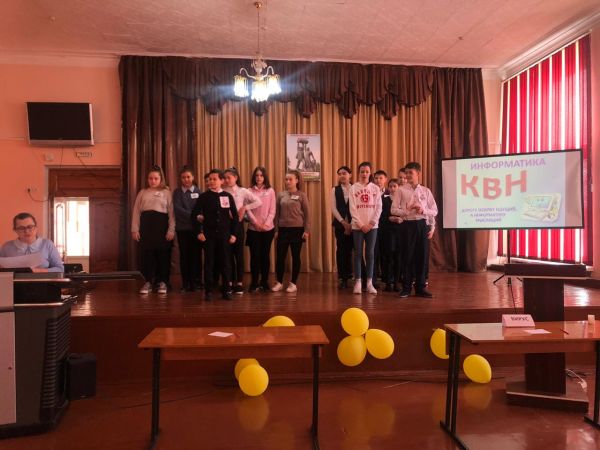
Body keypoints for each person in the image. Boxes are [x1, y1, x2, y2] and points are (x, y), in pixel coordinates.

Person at [391, 162, 437, 298]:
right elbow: (393, 210)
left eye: (411, 172)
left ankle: (421, 287)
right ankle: (406, 287)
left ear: (418, 173)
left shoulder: (426, 191)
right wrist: (407, 211)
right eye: (406, 173)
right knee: (407, 256)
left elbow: (434, 210)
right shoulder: (400, 190)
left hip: (422, 224)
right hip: (407, 225)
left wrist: (424, 210)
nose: (408, 175)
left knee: (422, 256)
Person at [191, 169, 238, 301]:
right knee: (209, 263)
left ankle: (227, 290)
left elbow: (235, 216)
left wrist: (233, 234)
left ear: (222, 181)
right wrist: (199, 232)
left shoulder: (227, 196)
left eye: (214, 179)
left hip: (224, 236)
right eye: (209, 179)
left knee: (225, 263)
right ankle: (209, 291)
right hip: (209, 236)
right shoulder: (204, 197)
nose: (211, 181)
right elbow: (194, 215)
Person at [131, 166, 175, 295]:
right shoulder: (142, 192)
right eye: (150, 178)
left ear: (161, 179)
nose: (153, 181)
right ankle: (148, 282)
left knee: (163, 256)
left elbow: (172, 213)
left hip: (162, 227)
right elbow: (136, 212)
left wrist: (171, 230)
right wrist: (135, 229)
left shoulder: (167, 192)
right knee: (147, 256)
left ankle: (163, 282)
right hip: (146, 227)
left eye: (156, 178)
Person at [223, 167, 262, 295]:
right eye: (225, 178)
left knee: (238, 254)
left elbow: (258, 201)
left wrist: (245, 207)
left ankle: (239, 283)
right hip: (226, 226)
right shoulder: (222, 191)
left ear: (236, 178)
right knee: (227, 254)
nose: (226, 180)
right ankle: (229, 282)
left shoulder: (243, 191)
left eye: (229, 177)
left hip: (238, 225)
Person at [273, 170, 310, 293]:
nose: (288, 181)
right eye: (286, 179)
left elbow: (307, 214)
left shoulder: (302, 195)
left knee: (295, 256)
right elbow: (277, 214)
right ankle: (279, 282)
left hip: (297, 230)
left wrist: (306, 230)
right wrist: (276, 230)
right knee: (280, 257)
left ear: (297, 181)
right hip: (283, 230)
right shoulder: (280, 195)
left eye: (290, 179)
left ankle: (293, 283)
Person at [349, 161, 382, 295]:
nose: (364, 174)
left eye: (367, 171)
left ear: (370, 173)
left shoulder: (375, 188)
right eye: (362, 171)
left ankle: (369, 283)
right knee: (357, 253)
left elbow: (379, 207)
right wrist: (361, 224)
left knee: (370, 253)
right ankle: (358, 282)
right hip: (358, 226)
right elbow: (352, 208)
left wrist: (371, 223)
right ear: (359, 173)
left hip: (372, 226)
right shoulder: (353, 188)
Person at [172, 166, 202, 292]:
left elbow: (200, 208)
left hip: (196, 229)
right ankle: (186, 283)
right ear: (180, 179)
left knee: (196, 256)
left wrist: (196, 217)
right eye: (183, 177)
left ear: (193, 177)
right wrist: (194, 216)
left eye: (188, 177)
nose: (186, 179)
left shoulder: (199, 192)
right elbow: (177, 209)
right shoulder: (177, 192)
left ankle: (196, 282)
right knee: (184, 256)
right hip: (182, 229)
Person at [246, 166, 276, 292]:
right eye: (257, 175)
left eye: (261, 175)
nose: (259, 177)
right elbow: (247, 209)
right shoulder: (249, 191)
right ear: (254, 177)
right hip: (253, 229)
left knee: (265, 255)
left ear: (265, 177)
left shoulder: (270, 191)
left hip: (268, 229)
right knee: (255, 256)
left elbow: (272, 210)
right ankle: (254, 282)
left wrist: (266, 224)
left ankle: (264, 281)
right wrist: (256, 223)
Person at [331, 166, 353, 288]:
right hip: (340, 225)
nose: (342, 176)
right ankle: (342, 277)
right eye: (339, 174)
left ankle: (353, 275)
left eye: (344, 173)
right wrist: (344, 223)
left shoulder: (356, 188)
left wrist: (352, 223)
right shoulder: (335, 189)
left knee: (353, 250)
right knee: (341, 250)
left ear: (350, 175)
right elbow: (333, 208)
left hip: (355, 224)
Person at [380, 178, 403, 291]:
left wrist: (401, 219)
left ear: (399, 187)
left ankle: (397, 282)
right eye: (391, 186)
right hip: (388, 232)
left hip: (400, 232)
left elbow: (408, 214)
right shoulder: (384, 200)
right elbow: (380, 216)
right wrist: (390, 218)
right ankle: (388, 282)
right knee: (388, 257)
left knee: (398, 257)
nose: (393, 189)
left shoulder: (402, 200)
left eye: (395, 186)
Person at [373, 170, 389, 285]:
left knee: (386, 253)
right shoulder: (370, 192)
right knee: (374, 253)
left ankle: (386, 279)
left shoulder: (390, 192)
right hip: (373, 227)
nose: (378, 180)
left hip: (387, 228)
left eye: (381, 178)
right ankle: (373, 280)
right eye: (376, 178)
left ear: (385, 179)